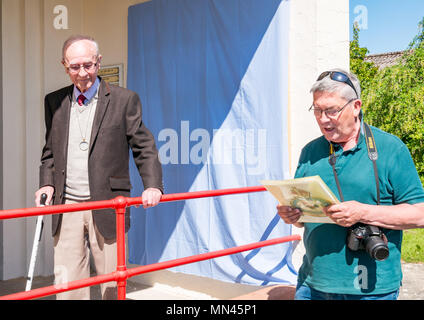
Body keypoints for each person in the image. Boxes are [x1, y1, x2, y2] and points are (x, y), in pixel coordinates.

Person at [34, 35, 163, 300]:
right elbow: (49, 152)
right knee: (67, 285)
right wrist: (46, 182)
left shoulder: (124, 100)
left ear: (99, 62)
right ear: (64, 65)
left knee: (113, 285)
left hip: (107, 204)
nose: (83, 73)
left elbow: (143, 146)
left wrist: (152, 186)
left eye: (89, 65)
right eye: (75, 67)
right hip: (66, 205)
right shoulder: (54, 102)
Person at [278, 68, 424, 300]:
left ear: (356, 106)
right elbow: (303, 220)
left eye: (331, 110)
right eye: (317, 110)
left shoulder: (391, 148)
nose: (323, 119)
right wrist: (293, 216)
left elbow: (419, 215)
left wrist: (362, 212)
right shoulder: (310, 151)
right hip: (312, 285)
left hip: (371, 290)